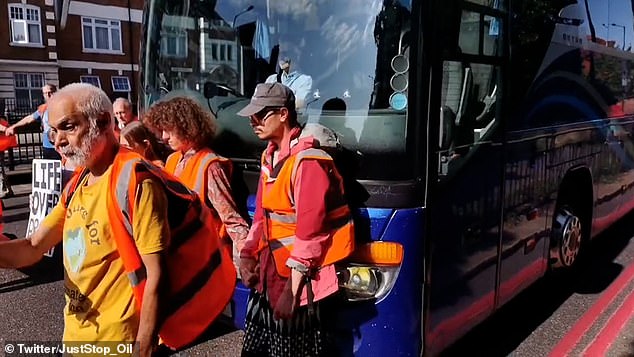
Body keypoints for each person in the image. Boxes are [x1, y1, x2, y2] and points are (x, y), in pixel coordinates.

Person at [0, 83, 235, 355]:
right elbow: (32, 247)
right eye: (54, 130)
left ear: (101, 122)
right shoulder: (78, 183)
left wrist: (143, 348)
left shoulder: (136, 180)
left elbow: (157, 274)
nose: (58, 140)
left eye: (68, 126)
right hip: (76, 339)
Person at [236, 82, 355, 356]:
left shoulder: (307, 162)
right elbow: (262, 217)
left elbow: (310, 234)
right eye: (252, 116)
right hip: (270, 272)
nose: (253, 122)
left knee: (291, 350)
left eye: (260, 115)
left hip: (296, 281)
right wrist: (247, 254)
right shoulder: (270, 157)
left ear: (283, 114)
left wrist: (292, 291)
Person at [143, 97, 249, 259]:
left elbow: (231, 219)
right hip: (181, 255)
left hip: (208, 256)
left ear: (186, 127)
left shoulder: (210, 165)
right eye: (161, 130)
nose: (163, 137)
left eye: (169, 129)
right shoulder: (172, 160)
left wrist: (247, 256)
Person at [4, 84, 61, 160]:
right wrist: (13, 126)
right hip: (47, 147)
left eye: (50, 92)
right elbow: (29, 118)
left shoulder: (64, 107)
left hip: (62, 146)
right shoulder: (43, 108)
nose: (48, 95)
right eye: (45, 93)